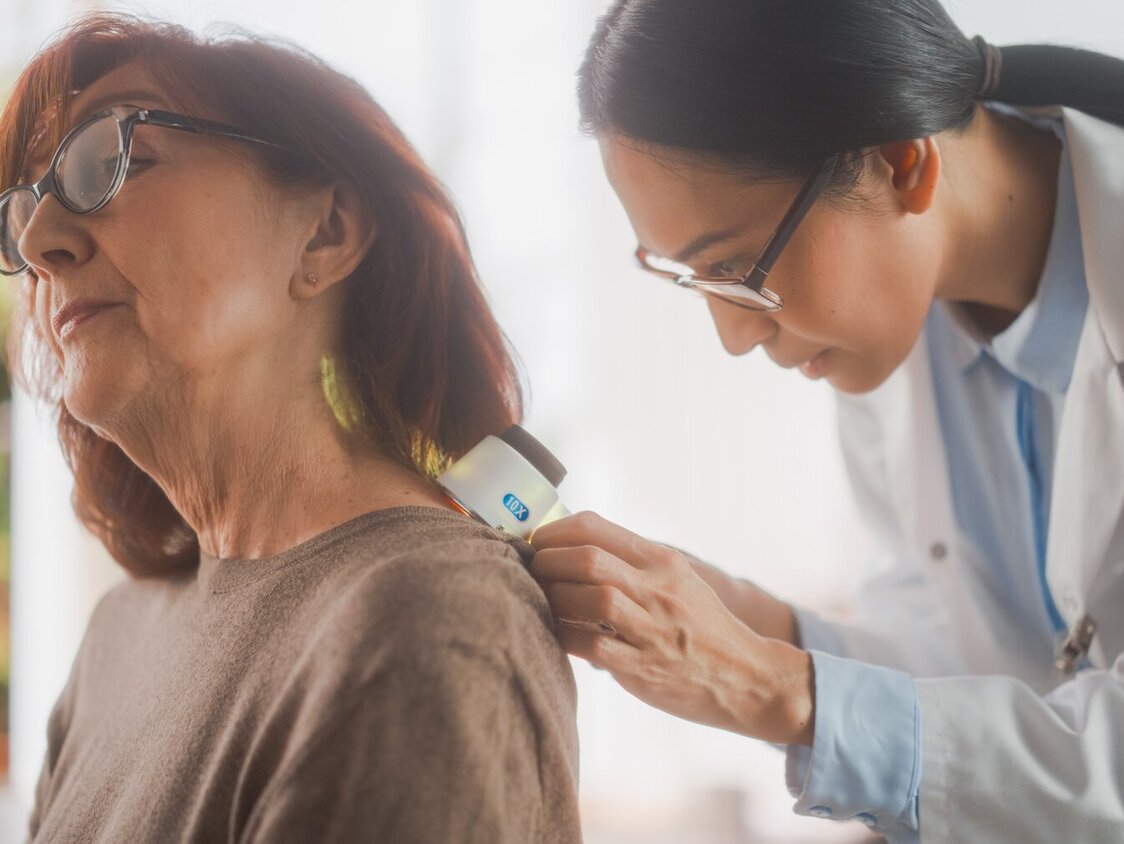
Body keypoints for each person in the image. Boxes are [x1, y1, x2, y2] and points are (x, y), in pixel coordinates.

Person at [529, 1, 1124, 841]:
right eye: (691, 277)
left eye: (736, 269)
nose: (735, 335)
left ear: (898, 164)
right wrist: (748, 620)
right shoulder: (894, 338)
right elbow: (977, 667)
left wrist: (770, 687)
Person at [0, 14, 581, 843]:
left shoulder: (431, 623)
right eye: (24, 208)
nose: (39, 241)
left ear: (325, 232)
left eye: (111, 160)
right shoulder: (117, 640)